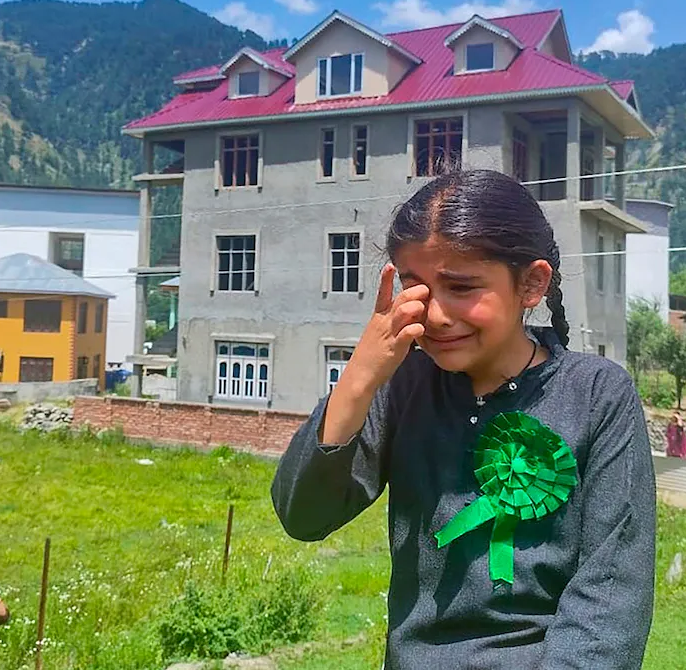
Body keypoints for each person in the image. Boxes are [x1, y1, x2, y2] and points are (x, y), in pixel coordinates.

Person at [271, 170, 656, 669]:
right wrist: (360, 376)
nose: (434, 315)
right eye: (416, 289)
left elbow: (611, 594)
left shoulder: (598, 394)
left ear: (532, 283)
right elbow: (304, 516)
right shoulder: (405, 384)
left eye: (461, 286)